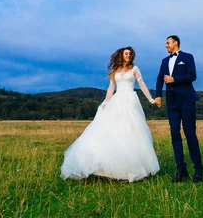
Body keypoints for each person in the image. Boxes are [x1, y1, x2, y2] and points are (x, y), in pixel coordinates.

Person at [60, 46, 160, 182]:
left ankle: (132, 168)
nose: (129, 55)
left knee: (131, 130)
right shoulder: (115, 71)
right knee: (112, 130)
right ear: (121, 55)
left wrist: (150, 99)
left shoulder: (134, 69)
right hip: (117, 100)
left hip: (130, 100)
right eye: (126, 53)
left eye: (130, 54)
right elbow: (111, 88)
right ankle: (109, 167)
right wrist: (106, 103)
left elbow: (142, 84)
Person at [154, 35, 203, 182]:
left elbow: (192, 75)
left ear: (175, 43)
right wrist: (158, 96)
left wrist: (175, 79)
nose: (166, 45)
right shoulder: (164, 61)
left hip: (187, 101)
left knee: (190, 134)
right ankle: (180, 169)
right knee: (175, 134)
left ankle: (198, 169)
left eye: (168, 42)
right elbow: (159, 79)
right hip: (172, 103)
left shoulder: (188, 57)